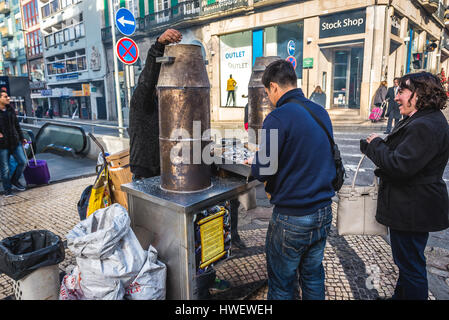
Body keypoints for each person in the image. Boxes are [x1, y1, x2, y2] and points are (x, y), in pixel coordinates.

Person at [246, 60, 335, 300]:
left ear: (273, 87)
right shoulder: (320, 111)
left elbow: (263, 170)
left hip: (292, 217)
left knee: (282, 284)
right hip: (323, 212)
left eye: (267, 93)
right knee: (313, 275)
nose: (268, 98)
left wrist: (253, 162)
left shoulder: (278, 117)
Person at [360, 72, 449, 300]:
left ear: (418, 94)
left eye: (401, 91)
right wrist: (375, 145)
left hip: (412, 208)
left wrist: (377, 145)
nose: (397, 97)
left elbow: (400, 165)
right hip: (412, 206)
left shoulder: (426, 125)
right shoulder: (422, 119)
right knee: (408, 262)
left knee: (411, 266)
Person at [128, 29, 182, 181]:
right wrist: (159, 45)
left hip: (162, 170)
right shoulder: (141, 100)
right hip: (145, 174)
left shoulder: (162, 104)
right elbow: (148, 78)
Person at [0, 90, 28, 197]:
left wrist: (22, 138)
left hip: (15, 141)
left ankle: (14, 180)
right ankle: (8, 189)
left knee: (22, 161)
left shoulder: (10, 109)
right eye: (5, 97)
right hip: (2, 144)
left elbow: (17, 125)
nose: (8, 98)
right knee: (5, 168)